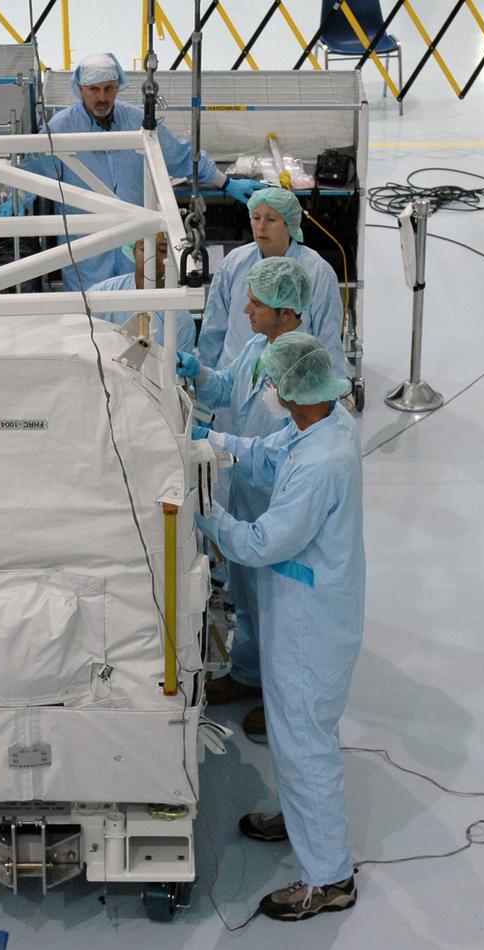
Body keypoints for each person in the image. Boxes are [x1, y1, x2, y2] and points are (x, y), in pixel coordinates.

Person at [194, 331, 364, 922]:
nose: (267, 392)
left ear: (293, 389)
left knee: (303, 745)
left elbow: (262, 542)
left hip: (308, 627)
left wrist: (204, 512)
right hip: (302, 608)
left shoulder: (324, 462)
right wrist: (209, 442)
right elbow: (269, 452)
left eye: (272, 384)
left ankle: (329, 877)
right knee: (296, 743)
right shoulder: (324, 423)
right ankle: (300, 824)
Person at [178, 257, 309, 741]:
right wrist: (199, 371)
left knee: (277, 608)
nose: (247, 309)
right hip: (249, 487)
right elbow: (230, 386)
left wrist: (215, 440)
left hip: (278, 497)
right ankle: (249, 673)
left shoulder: (301, 367)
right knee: (246, 595)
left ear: (287, 312)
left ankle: (279, 704)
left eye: (258, 303)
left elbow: (284, 447)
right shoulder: (259, 345)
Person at [0, 52, 264, 291]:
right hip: (86, 247)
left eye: (108, 89)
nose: (102, 97)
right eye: (94, 89)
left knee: (140, 315)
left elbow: (180, 157)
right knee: (90, 318)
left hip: (138, 243)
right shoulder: (59, 128)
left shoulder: (139, 120)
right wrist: (16, 198)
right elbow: (36, 172)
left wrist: (227, 183)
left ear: (118, 87)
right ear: (80, 89)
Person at [197, 187, 345, 378]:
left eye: (271, 219)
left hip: (292, 382)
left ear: (289, 223)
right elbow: (214, 328)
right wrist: (202, 377)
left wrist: (330, 392)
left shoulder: (317, 272)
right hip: (234, 379)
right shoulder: (234, 263)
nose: (261, 227)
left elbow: (328, 337)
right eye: (256, 217)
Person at [87, 233, 195, 353]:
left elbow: (177, 369)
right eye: (144, 249)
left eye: (162, 250)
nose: (152, 257)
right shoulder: (101, 294)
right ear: (133, 252)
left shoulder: (180, 320)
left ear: (174, 257)